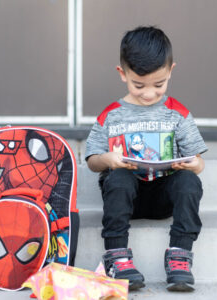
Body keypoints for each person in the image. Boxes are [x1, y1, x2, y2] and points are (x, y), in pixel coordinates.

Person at [85, 26, 208, 292]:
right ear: (123, 74)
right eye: (138, 85)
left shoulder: (177, 113)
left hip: (164, 196)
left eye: (159, 84)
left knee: (189, 182)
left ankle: (179, 256)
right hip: (127, 196)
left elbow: (198, 162)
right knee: (117, 178)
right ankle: (117, 256)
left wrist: (193, 164)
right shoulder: (111, 115)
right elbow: (92, 161)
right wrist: (108, 159)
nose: (149, 93)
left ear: (171, 71)